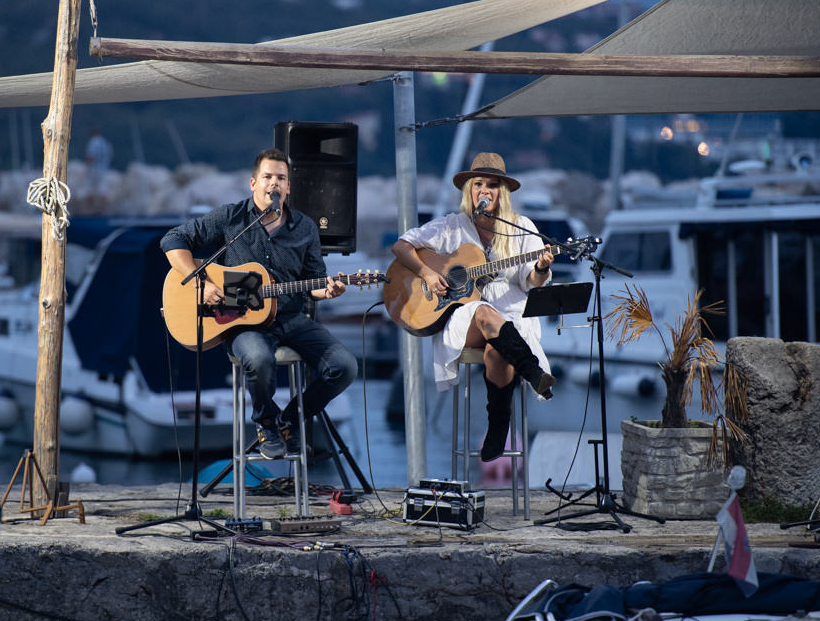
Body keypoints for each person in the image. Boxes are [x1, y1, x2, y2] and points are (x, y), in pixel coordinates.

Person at [160, 148, 358, 459]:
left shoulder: (305, 228)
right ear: (253, 183)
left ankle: (288, 421)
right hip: (243, 324)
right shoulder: (231, 218)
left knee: (344, 366)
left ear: (288, 187)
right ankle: (266, 421)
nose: (274, 183)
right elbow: (173, 239)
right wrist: (200, 283)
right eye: (267, 177)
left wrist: (328, 290)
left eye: (281, 178)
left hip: (293, 318)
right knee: (258, 358)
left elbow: (315, 281)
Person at [391, 151, 556, 462]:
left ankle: (497, 427)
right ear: (469, 190)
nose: (484, 190)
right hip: (464, 319)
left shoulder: (521, 226)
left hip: (511, 320)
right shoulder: (451, 226)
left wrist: (542, 268)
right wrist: (427, 272)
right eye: (478, 183)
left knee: (498, 350)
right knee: (481, 310)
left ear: (502, 192)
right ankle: (533, 370)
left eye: (492, 185)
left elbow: (531, 280)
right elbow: (402, 246)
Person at [84, 128, 113, 193]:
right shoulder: (105, 142)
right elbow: (110, 154)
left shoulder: (93, 142)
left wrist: (87, 167)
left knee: (89, 187)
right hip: (103, 167)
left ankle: (90, 203)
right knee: (102, 187)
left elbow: (91, 155)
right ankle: (103, 202)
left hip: (94, 167)